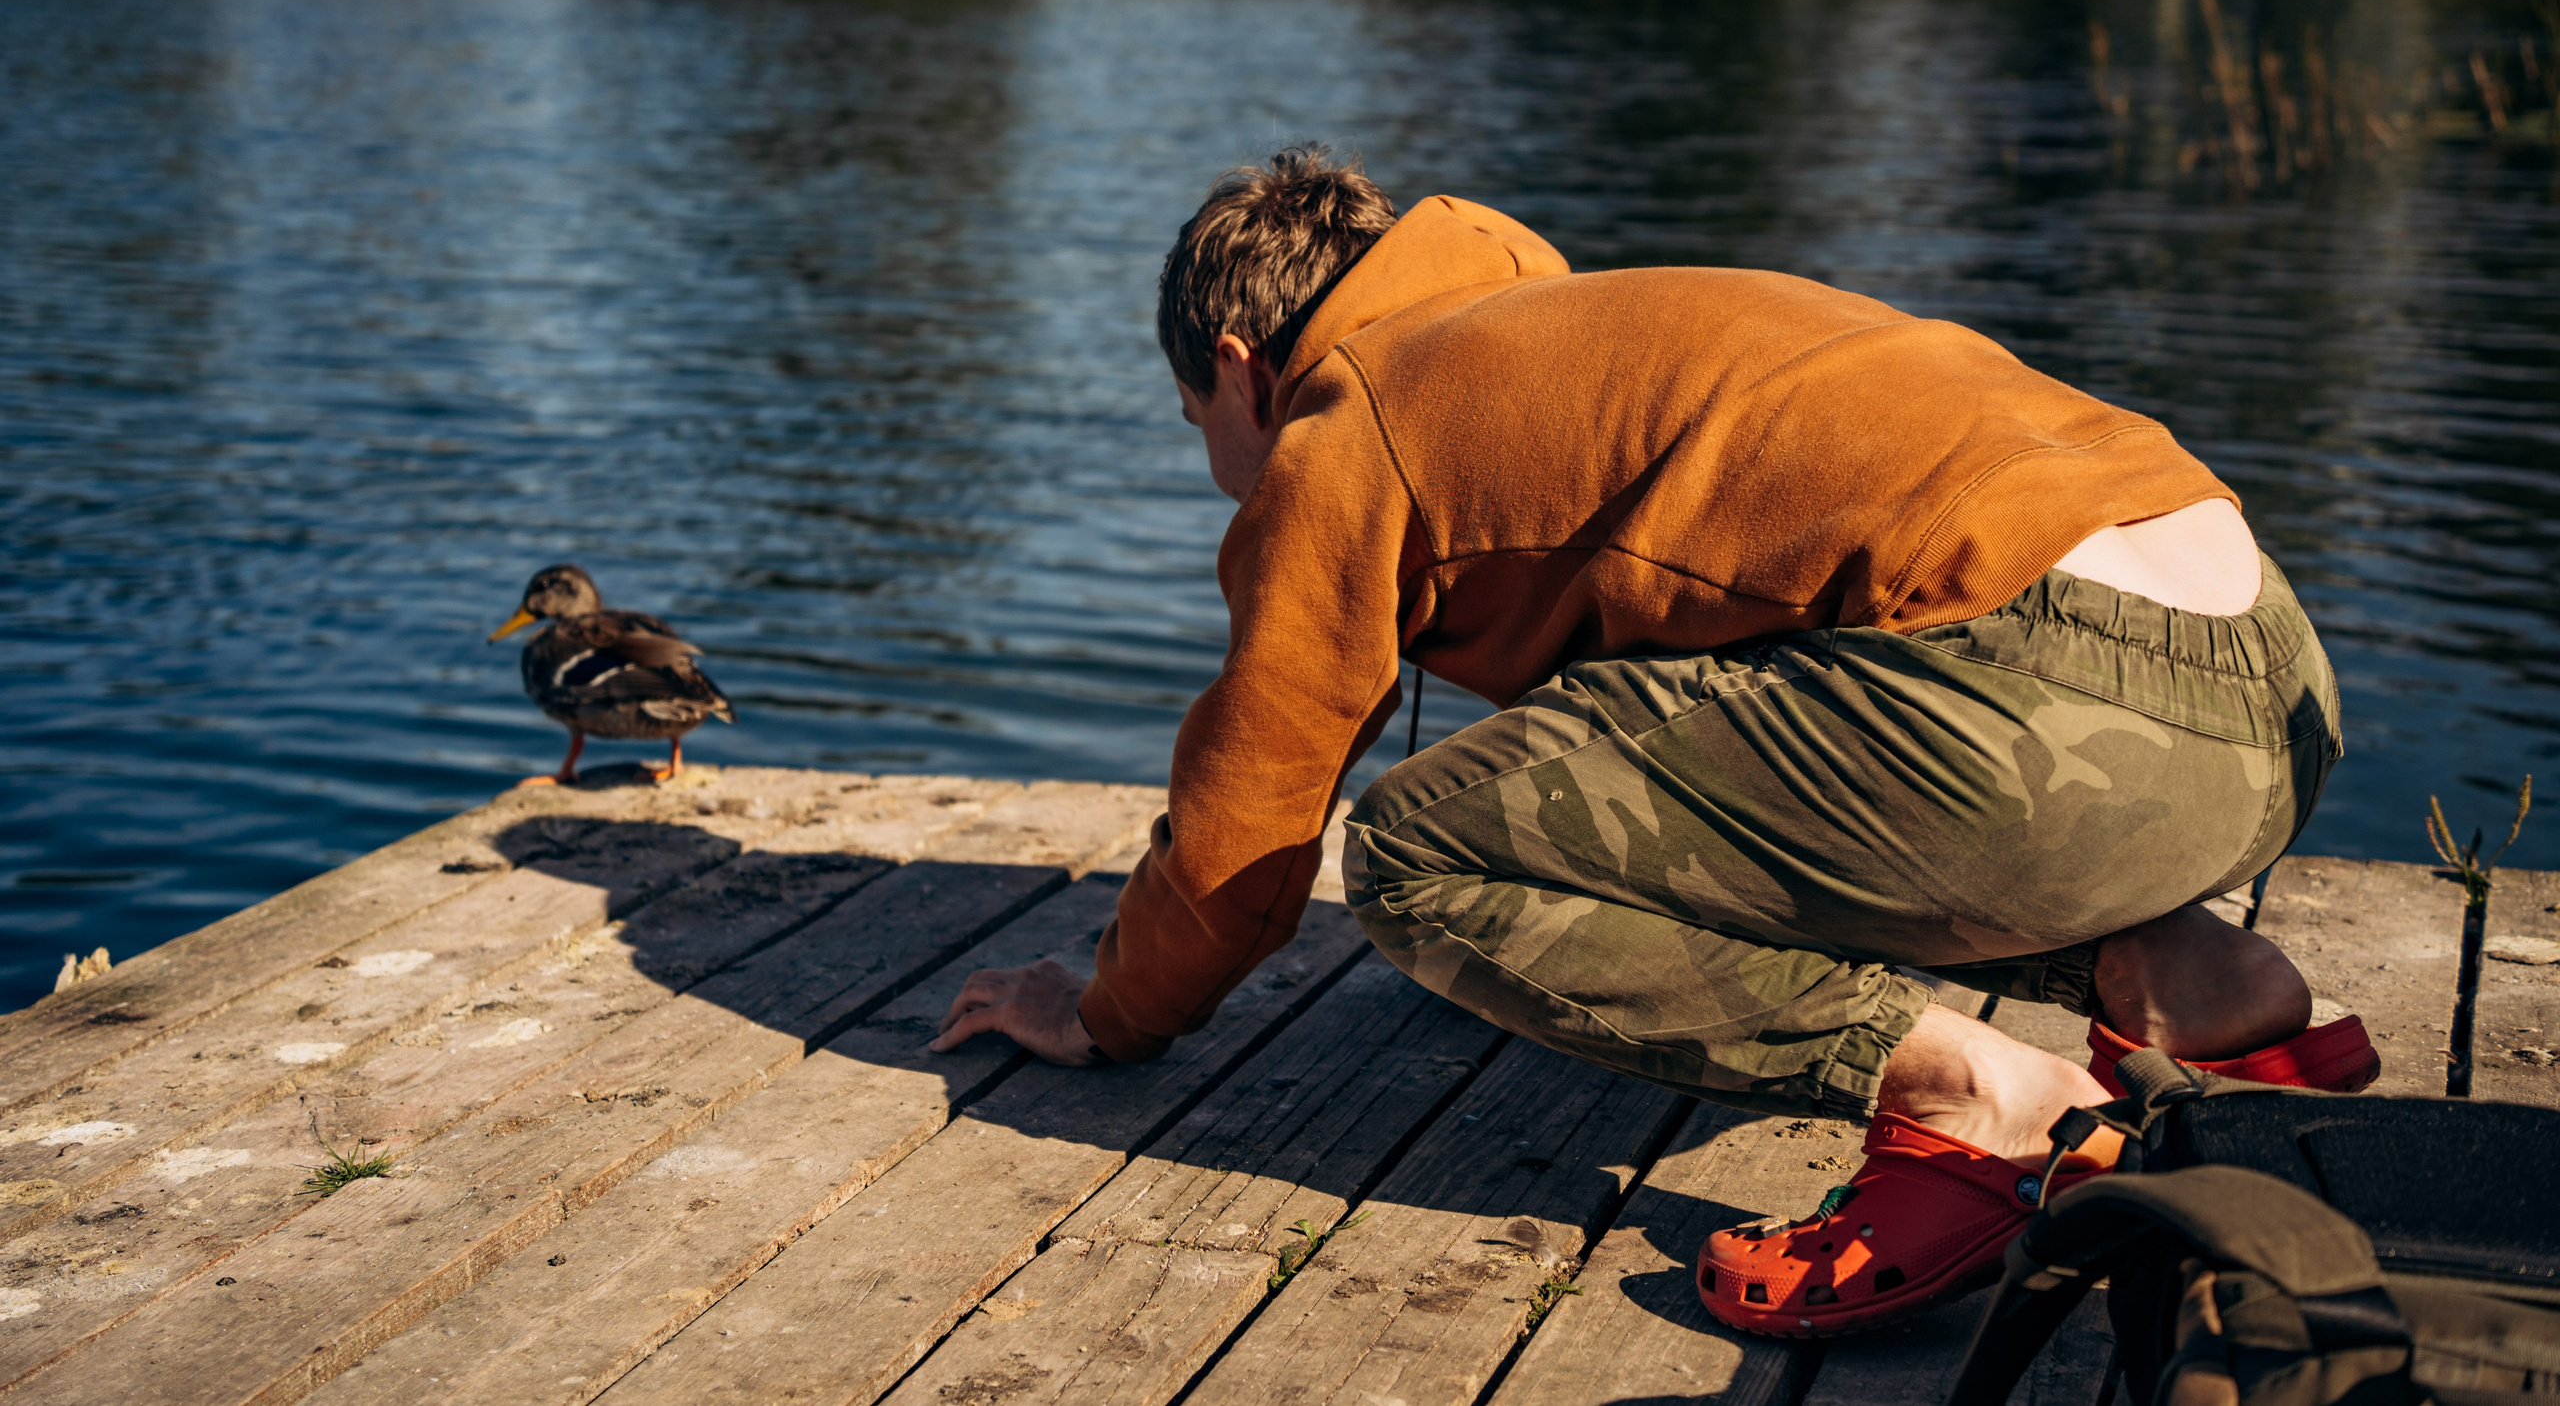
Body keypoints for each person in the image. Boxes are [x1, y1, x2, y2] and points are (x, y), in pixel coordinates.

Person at [931, 145, 2376, 1336]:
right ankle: (2185, 972)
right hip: (2257, 679)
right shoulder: (1566, 329)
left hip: (2043, 700)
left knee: (1417, 857)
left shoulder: (1346, 422)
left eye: (1196, 421)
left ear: (1242, 372)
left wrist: (1108, 1007)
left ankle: (1959, 1089)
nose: (1215, 465)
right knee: (1730, 728)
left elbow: (1248, 828)